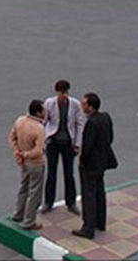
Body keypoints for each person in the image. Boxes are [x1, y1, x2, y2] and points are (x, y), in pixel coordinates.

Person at [73, 92, 116, 240]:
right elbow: (110, 137)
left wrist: (82, 160)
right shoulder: (105, 117)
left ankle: (88, 227)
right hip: (102, 162)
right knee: (99, 192)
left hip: (90, 165)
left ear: (91, 107)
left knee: (89, 195)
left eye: (84, 104)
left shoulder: (91, 123)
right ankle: (100, 222)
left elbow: (87, 147)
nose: (82, 106)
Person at [41, 80, 84, 215]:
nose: (63, 95)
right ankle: (48, 201)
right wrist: (43, 140)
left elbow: (79, 124)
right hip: (53, 142)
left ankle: (71, 202)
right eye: (61, 93)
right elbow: (44, 121)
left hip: (68, 143)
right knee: (51, 174)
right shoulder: (49, 103)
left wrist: (77, 144)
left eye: (65, 92)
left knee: (69, 173)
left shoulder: (75, 104)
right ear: (57, 92)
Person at [8, 99, 47, 230]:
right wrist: (26, 154)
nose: (45, 112)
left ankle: (18, 213)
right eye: (43, 110)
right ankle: (29, 221)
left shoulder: (20, 121)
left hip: (23, 163)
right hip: (35, 163)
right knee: (34, 193)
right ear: (38, 112)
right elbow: (39, 150)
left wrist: (17, 153)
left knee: (23, 187)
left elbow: (12, 137)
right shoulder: (38, 128)